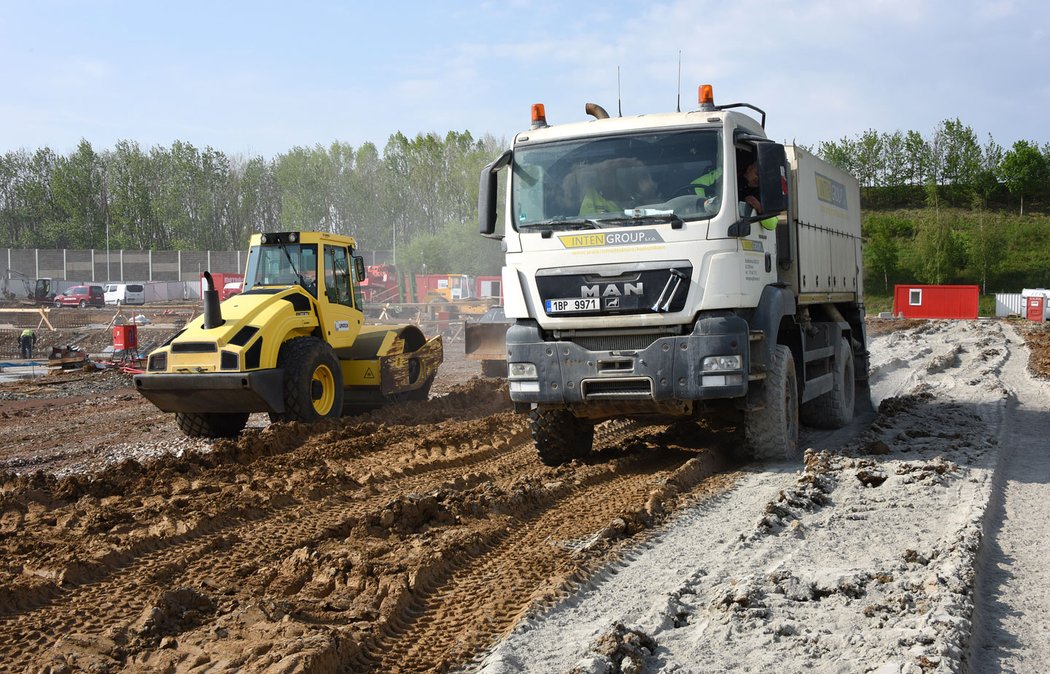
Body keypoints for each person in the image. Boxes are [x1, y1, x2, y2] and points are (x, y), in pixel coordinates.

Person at [738, 161, 779, 231]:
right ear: (749, 168)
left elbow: (772, 225)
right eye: (757, 173)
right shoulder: (731, 179)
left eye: (762, 176)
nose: (758, 178)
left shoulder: (764, 194)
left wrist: (759, 206)